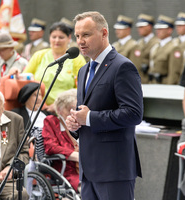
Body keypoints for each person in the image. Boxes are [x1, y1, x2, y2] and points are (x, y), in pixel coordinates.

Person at [66, 11, 143, 200]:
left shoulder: (122, 66)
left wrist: (90, 118)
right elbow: (85, 112)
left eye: (86, 34)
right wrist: (75, 123)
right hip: (88, 169)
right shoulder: (84, 70)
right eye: (77, 36)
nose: (80, 41)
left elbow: (134, 113)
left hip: (113, 169)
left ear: (104, 33)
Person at [23, 21, 86, 112]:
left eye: (61, 37)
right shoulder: (39, 55)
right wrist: (41, 103)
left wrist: (58, 105)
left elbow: (82, 89)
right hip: (38, 109)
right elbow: (26, 80)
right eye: (54, 37)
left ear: (69, 38)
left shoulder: (77, 59)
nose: (57, 40)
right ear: (49, 38)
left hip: (67, 111)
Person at [42, 89, 80, 192]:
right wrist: (76, 155)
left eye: (76, 109)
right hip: (67, 170)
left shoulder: (81, 121)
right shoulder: (52, 121)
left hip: (89, 166)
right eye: (70, 109)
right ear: (59, 109)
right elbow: (50, 147)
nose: (74, 113)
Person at [148, 15, 183, 84]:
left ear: (169, 30)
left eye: (161, 29)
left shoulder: (174, 48)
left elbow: (174, 73)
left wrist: (169, 88)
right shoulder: (156, 47)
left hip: (164, 85)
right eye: (157, 29)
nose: (158, 31)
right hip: (154, 84)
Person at [129, 14, 159, 84]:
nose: (139, 29)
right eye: (139, 27)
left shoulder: (156, 43)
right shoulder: (139, 43)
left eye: (142, 27)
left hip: (150, 80)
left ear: (150, 27)